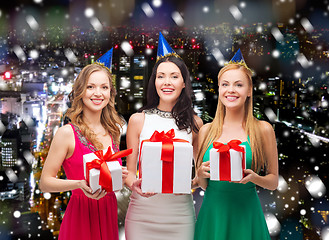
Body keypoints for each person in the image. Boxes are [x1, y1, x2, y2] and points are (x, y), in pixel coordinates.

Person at [40, 48, 127, 240]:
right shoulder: (66, 133)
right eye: (91, 87)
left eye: (104, 87)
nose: (98, 93)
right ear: (80, 91)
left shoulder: (114, 131)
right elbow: (45, 182)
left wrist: (120, 177)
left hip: (108, 213)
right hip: (80, 216)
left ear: (110, 93)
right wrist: (79, 184)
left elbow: (112, 183)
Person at [124, 32, 203, 240]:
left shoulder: (195, 123)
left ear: (184, 83)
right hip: (142, 213)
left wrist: (191, 184)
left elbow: (201, 177)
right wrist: (135, 185)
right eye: (161, 76)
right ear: (154, 81)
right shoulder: (137, 120)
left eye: (174, 76)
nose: (167, 82)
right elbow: (130, 173)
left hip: (180, 215)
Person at [194, 49, 278, 240]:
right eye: (225, 84)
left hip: (246, 213)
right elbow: (205, 186)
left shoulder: (263, 129)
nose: (230, 90)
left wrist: (254, 178)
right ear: (219, 89)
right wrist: (199, 175)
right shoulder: (206, 130)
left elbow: (273, 182)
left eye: (238, 85)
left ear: (249, 91)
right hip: (213, 213)